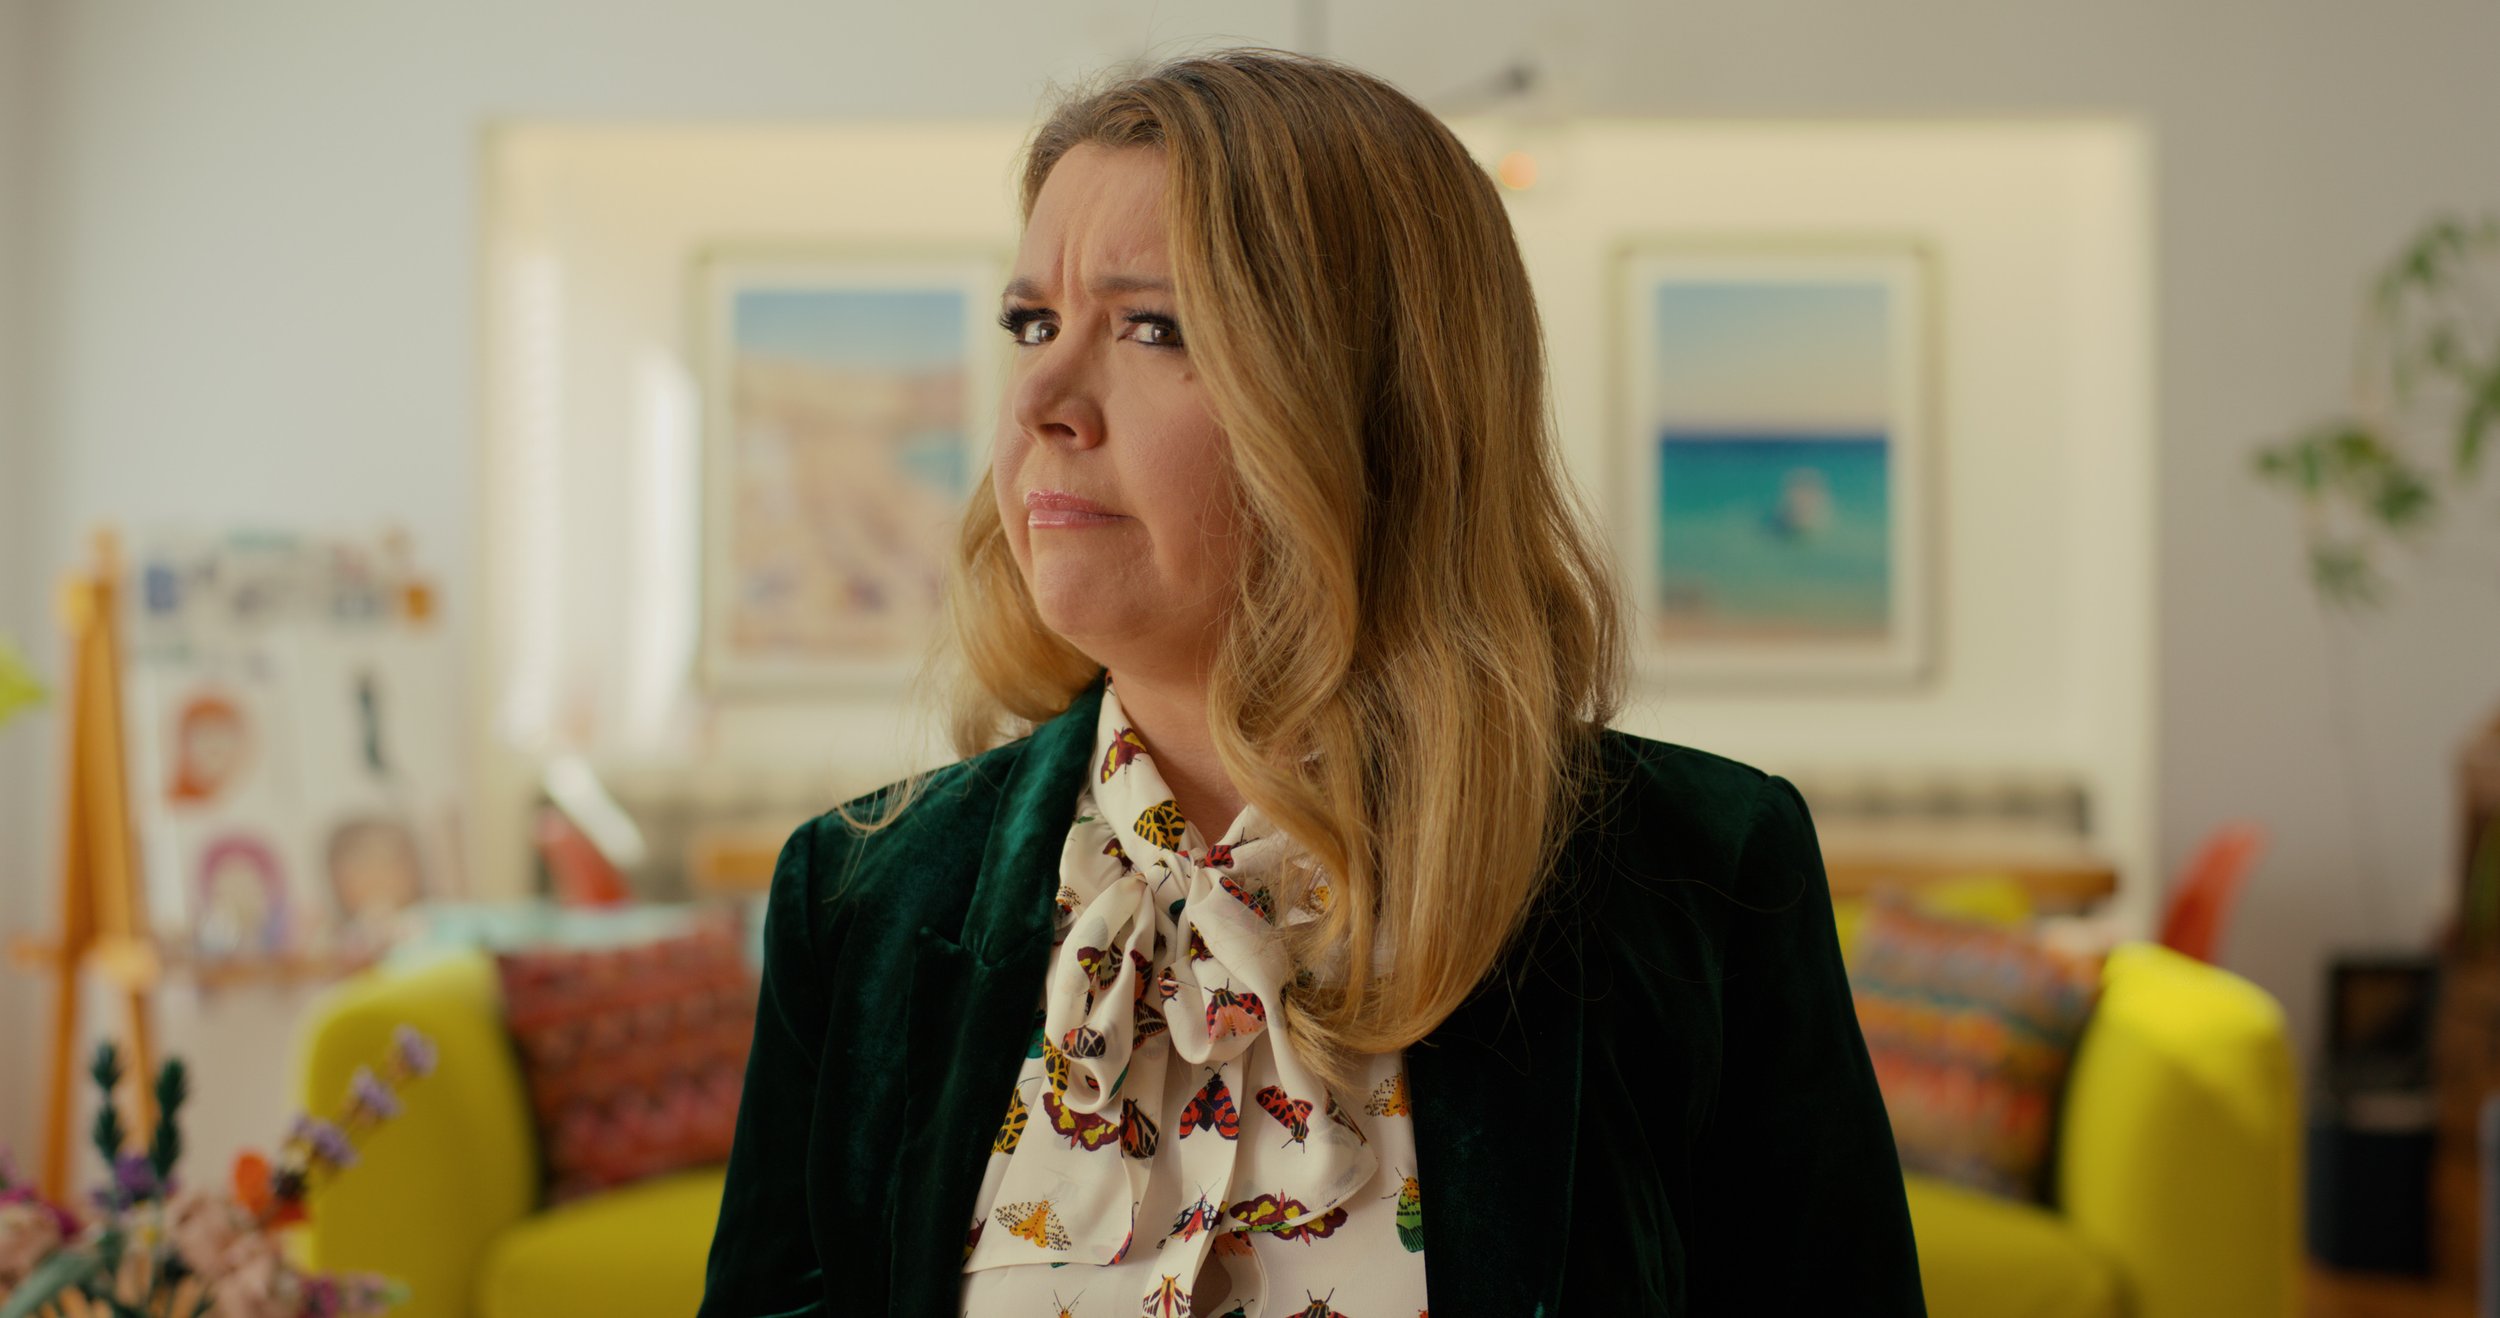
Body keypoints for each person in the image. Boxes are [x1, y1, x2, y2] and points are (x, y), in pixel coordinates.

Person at [698, 47, 1926, 1318]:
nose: (1042, 400)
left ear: (1374, 398)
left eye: (1152, 326)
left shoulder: (1700, 878)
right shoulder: (859, 900)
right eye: (1032, 323)